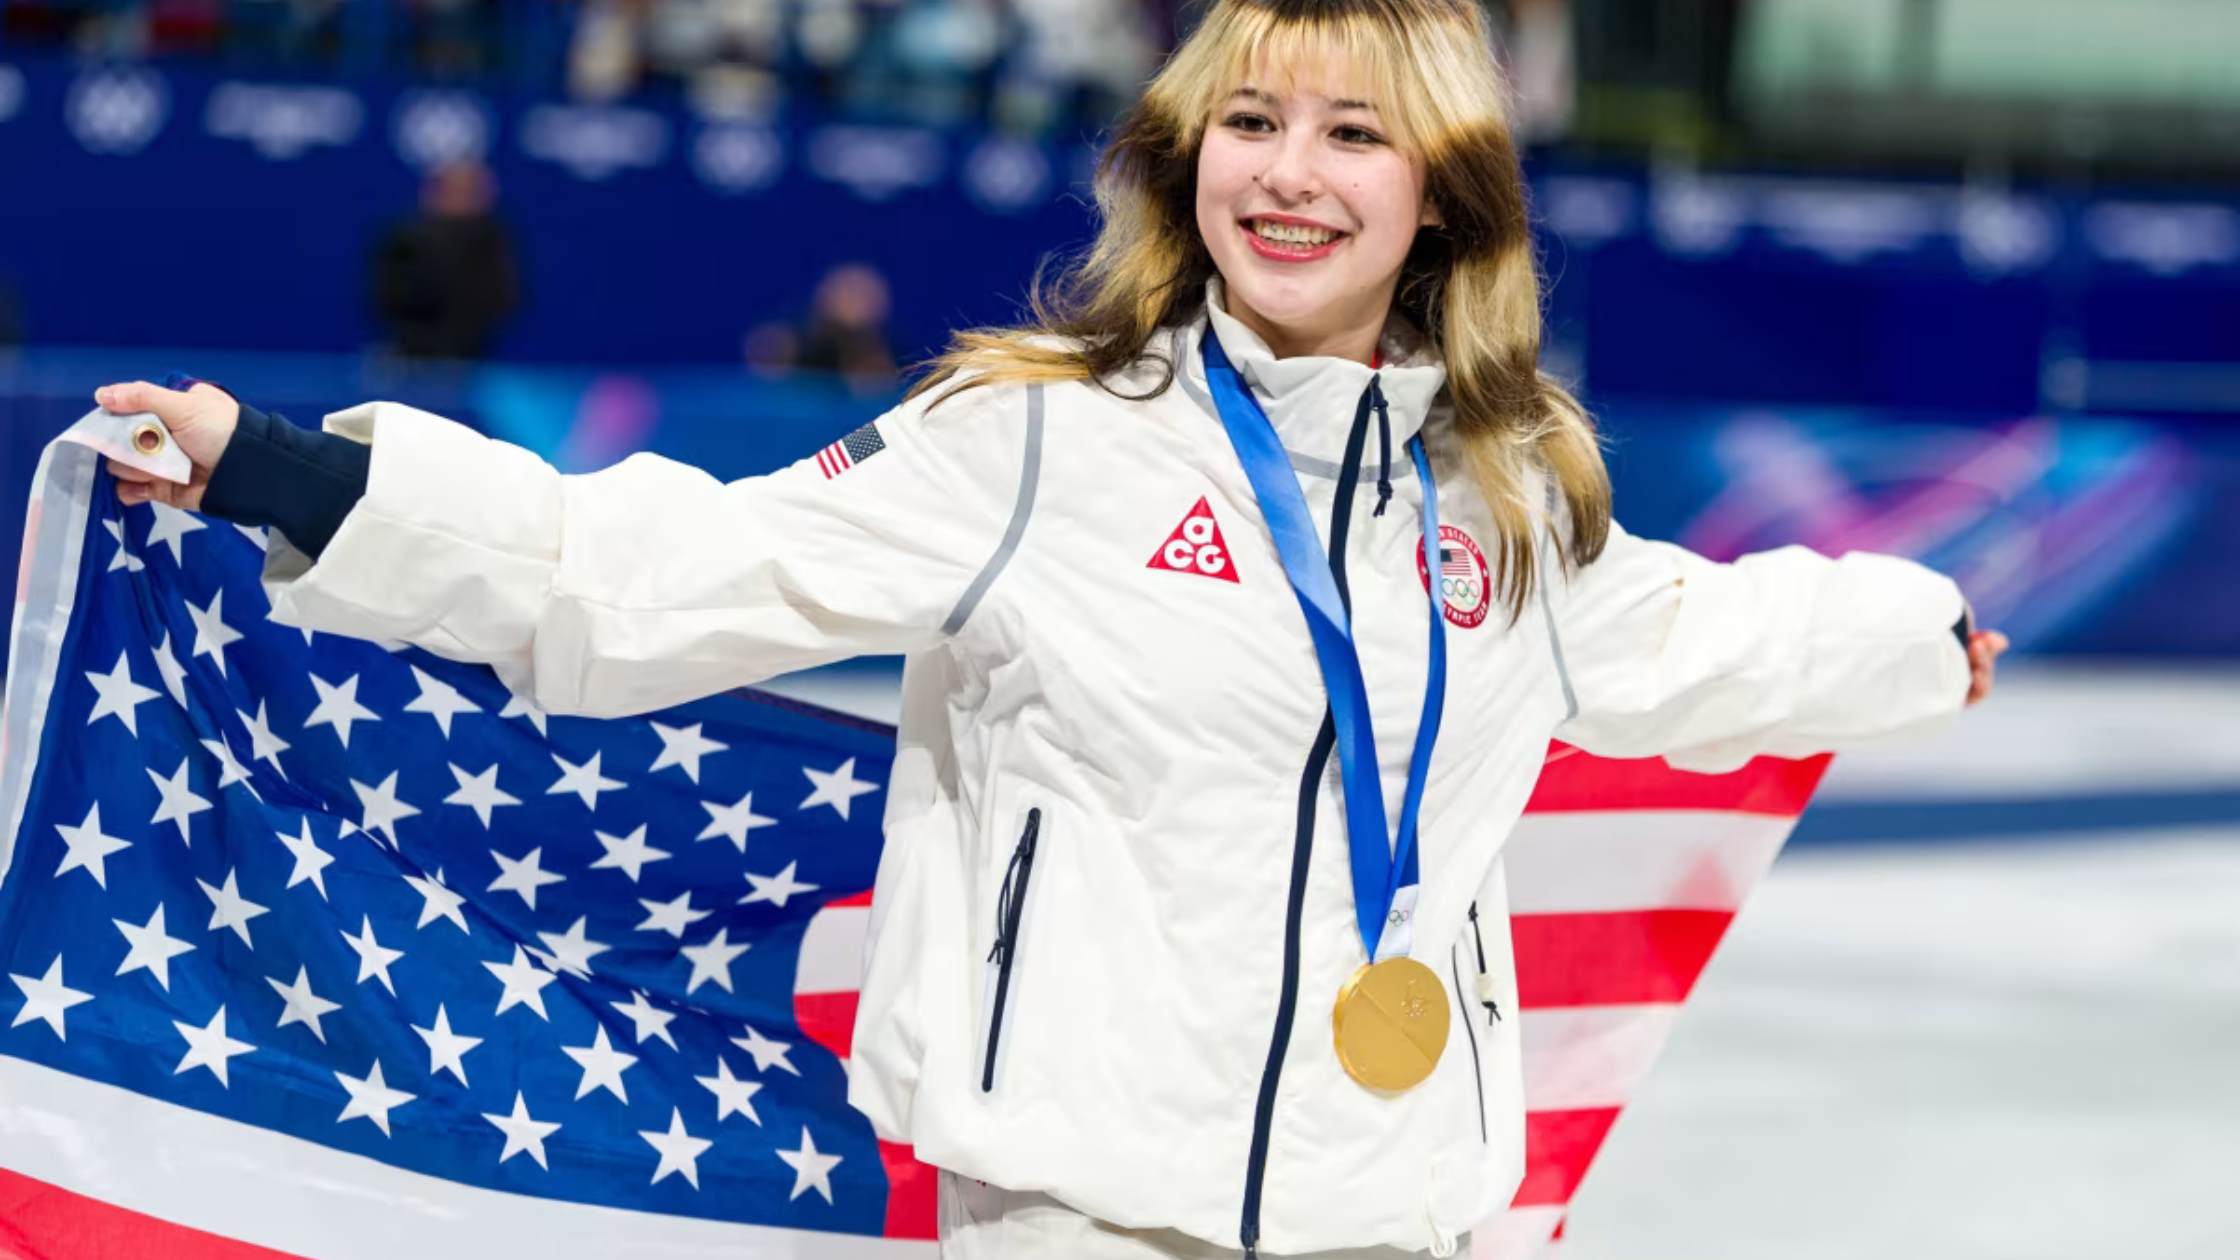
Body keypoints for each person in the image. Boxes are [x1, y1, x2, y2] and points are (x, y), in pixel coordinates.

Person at [95, 0, 2009, 1255]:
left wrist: (1922, 634)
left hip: (1401, 1204)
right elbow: (657, 570)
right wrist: (294, 477)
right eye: (1248, 119)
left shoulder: (1511, 489)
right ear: (1186, 153)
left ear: (1440, 193)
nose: (1288, 170)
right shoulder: (1038, 434)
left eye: (1352, 132)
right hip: (1077, 1208)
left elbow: (1707, 641)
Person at [368, 158, 520, 362]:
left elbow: (503, 299)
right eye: (457, 190)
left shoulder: (492, 241)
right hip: (410, 354)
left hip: (473, 356)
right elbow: (389, 298)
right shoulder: (406, 239)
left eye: (472, 191)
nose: (464, 199)